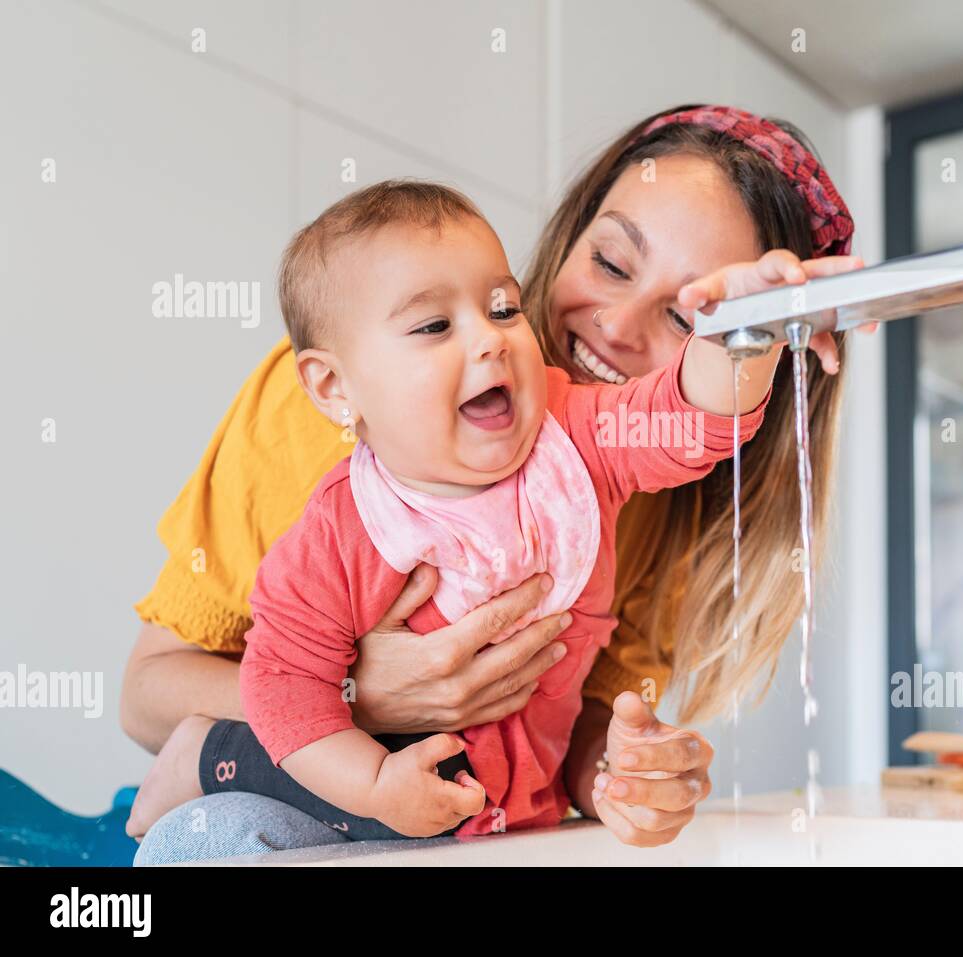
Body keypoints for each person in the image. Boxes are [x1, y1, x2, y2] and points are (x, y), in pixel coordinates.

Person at [123, 104, 865, 862]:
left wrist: (618, 772)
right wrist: (364, 703)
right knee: (202, 838)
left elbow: (693, 418)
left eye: (686, 314)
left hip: (493, 820)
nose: (615, 323)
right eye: (610, 263)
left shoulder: (587, 439)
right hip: (348, 801)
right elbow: (200, 685)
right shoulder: (339, 494)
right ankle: (219, 756)